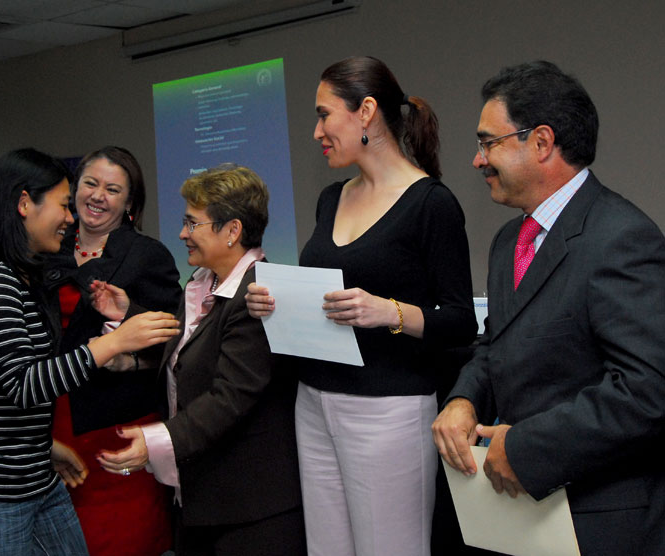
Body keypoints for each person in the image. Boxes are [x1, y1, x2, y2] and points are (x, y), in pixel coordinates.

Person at [432, 61, 665, 556]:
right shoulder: (506, 242)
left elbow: (648, 390)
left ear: (540, 143)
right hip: (521, 516)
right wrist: (463, 399)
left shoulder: (622, 237)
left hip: (598, 520)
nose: (478, 160)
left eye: (487, 142)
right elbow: (496, 342)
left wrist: (525, 448)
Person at [246, 56, 477, 556]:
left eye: (325, 114)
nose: (317, 131)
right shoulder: (331, 197)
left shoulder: (431, 203)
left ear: (366, 111)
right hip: (314, 400)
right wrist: (277, 303)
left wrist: (387, 311)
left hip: (388, 412)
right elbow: (327, 297)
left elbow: (459, 321)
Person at [0, 148, 177, 555]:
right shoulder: (2, 275)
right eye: (67, 202)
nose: (70, 216)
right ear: (25, 203)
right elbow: (24, 380)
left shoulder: (19, 270)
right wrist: (111, 342)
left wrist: (41, 445)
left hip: (40, 461)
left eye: (112, 189)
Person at [94, 164, 305, 555]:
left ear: (232, 231)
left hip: (250, 507)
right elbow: (193, 353)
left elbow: (230, 395)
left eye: (193, 224)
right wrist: (129, 316)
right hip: (203, 496)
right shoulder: (201, 284)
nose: (182, 234)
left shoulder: (260, 294)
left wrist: (157, 440)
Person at [44, 146, 181, 555]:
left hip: (117, 425)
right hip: (50, 420)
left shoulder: (146, 255)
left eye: (113, 189)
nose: (98, 195)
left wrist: (127, 341)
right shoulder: (45, 248)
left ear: (129, 204)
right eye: (90, 183)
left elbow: (175, 336)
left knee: (123, 540)